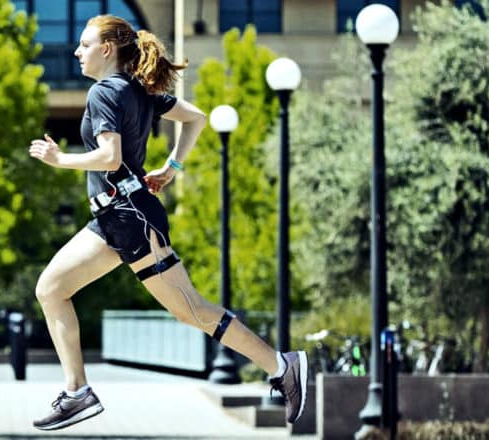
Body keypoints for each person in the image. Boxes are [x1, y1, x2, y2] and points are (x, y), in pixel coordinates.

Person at [28, 14, 307, 431]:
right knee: (50, 288)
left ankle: (281, 365)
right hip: (114, 219)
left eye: (84, 45)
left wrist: (60, 159)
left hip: (131, 218)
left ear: (106, 50)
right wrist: (172, 166)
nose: (76, 52)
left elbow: (111, 157)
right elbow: (196, 117)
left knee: (191, 309)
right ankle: (77, 391)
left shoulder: (105, 91)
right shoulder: (137, 89)